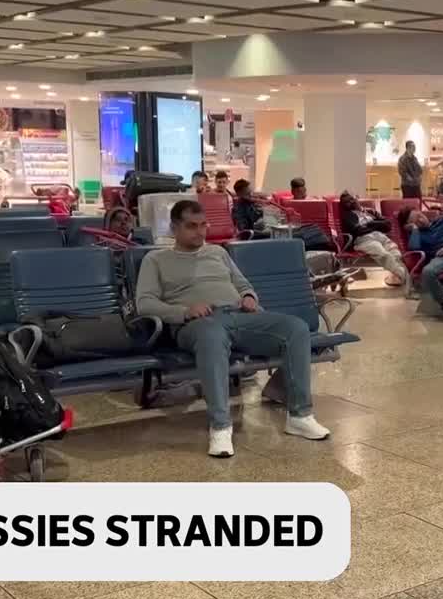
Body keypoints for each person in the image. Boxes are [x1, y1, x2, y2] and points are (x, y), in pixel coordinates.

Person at [136, 200, 330, 457]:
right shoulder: (156, 259)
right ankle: (220, 426)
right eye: (191, 226)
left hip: (239, 315)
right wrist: (184, 311)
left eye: (203, 225)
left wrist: (249, 296)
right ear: (174, 228)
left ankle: (300, 416)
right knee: (212, 336)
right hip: (196, 323)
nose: (200, 232)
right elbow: (145, 303)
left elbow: (243, 284)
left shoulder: (218, 253)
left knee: (295, 328)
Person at [339, 191, 408, 289]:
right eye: (346, 202)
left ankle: (396, 275)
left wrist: (369, 224)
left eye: (351, 199)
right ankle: (405, 276)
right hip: (364, 239)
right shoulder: (348, 215)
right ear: (344, 205)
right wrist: (377, 225)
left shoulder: (370, 212)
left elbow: (387, 224)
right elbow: (358, 230)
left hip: (381, 236)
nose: (350, 202)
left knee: (395, 252)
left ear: (356, 199)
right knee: (384, 255)